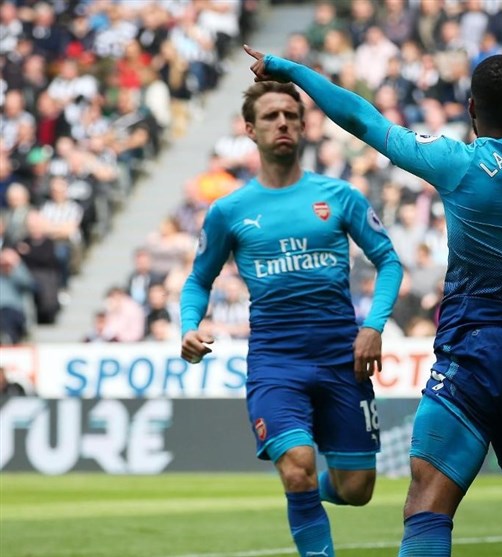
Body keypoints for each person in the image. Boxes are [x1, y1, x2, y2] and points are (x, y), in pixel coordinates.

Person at [244, 47, 502, 556]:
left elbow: (361, 118)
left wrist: (289, 69)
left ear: (472, 109)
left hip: (478, 349)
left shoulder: (460, 163)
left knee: (427, 507)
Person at [179, 80, 402, 557]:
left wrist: (373, 326)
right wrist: (189, 326)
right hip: (276, 361)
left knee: (357, 489)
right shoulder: (229, 211)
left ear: (303, 127)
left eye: (290, 115)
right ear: (250, 130)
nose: (281, 123)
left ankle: (302, 493)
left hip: (343, 357)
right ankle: (299, 492)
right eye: (270, 116)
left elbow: (389, 261)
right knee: (297, 464)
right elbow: (198, 280)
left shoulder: (339, 196)